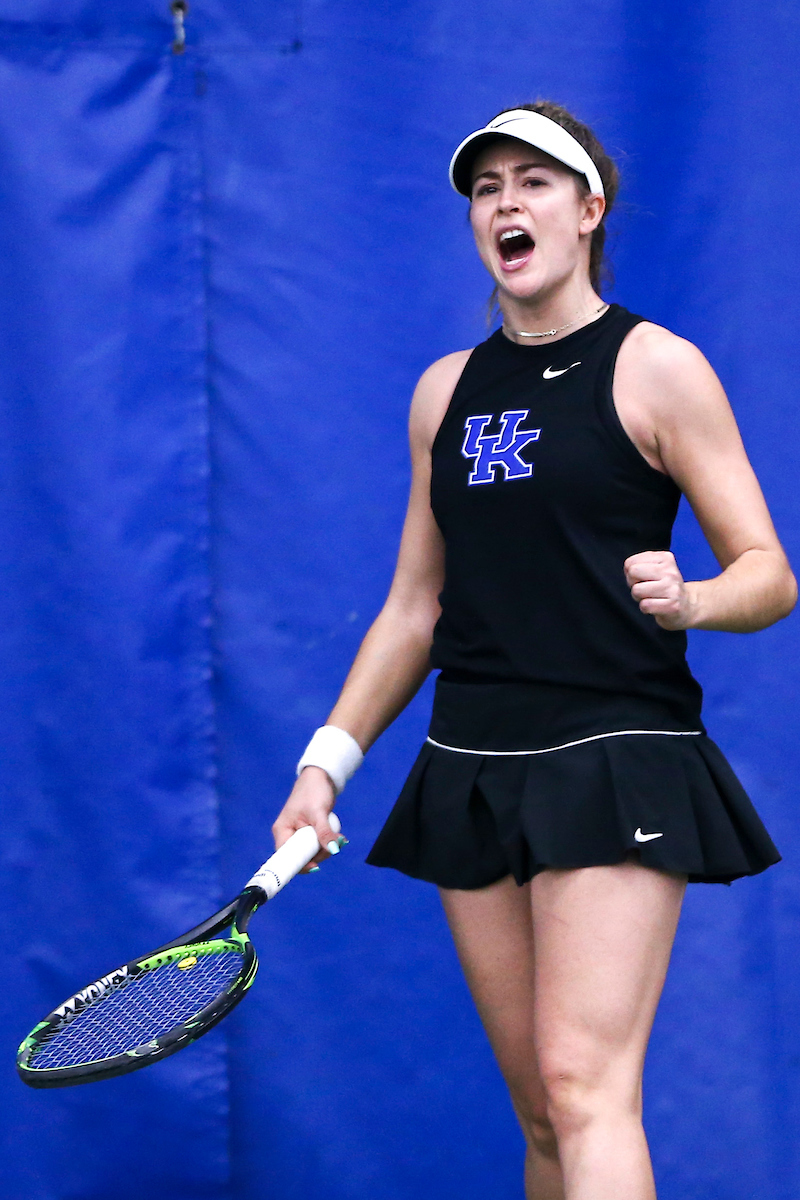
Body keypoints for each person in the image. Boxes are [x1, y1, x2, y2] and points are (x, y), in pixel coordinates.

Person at [272, 102, 797, 1199]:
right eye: (485, 187)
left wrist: (694, 598)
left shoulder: (658, 368)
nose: (505, 204)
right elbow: (414, 608)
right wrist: (324, 764)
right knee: (543, 1113)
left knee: (583, 1083)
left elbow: (767, 573)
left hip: (613, 751)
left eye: (534, 182)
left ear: (587, 210)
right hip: (471, 762)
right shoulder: (443, 395)